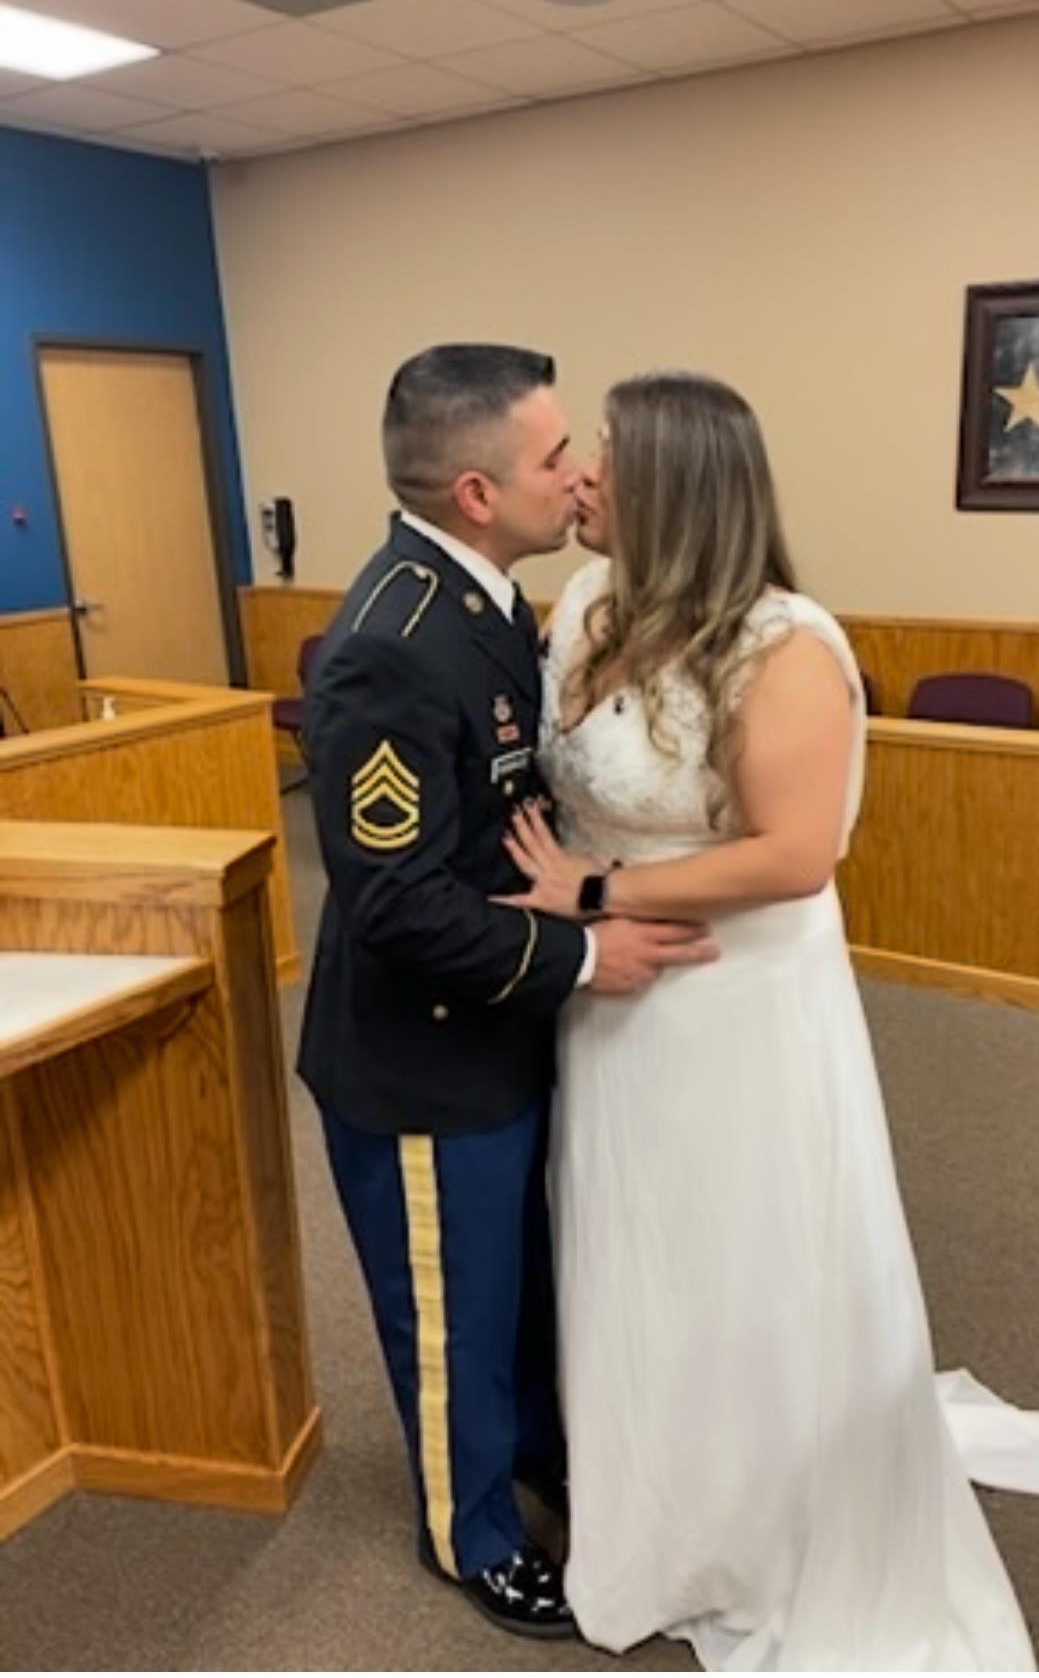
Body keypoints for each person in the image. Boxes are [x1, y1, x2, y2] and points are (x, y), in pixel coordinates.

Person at [500, 371, 1039, 1669]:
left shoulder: (785, 644)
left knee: (744, 1254)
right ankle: (655, 1501)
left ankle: (760, 1519)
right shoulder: (589, 601)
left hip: (734, 1000)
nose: (583, 479)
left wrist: (598, 885)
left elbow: (791, 854)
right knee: (633, 1246)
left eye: (606, 458)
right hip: (615, 1002)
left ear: (678, 486)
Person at [297, 345, 717, 1641]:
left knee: (513, 1280)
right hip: (420, 1057)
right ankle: (470, 1531)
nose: (581, 472)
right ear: (477, 490)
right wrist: (586, 954)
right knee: (449, 1306)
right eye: (553, 455)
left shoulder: (480, 600)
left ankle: (535, 1448)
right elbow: (396, 903)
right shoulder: (392, 643)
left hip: (494, 1028)